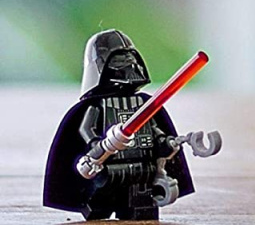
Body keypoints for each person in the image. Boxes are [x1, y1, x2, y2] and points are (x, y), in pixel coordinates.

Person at [43, 30, 196, 221]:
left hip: (143, 171)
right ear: (102, 67)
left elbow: (154, 130)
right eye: (119, 61)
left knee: (143, 212)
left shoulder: (144, 104)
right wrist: (98, 146)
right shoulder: (95, 106)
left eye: (131, 59)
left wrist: (165, 142)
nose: (129, 65)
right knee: (98, 211)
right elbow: (86, 129)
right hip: (108, 170)